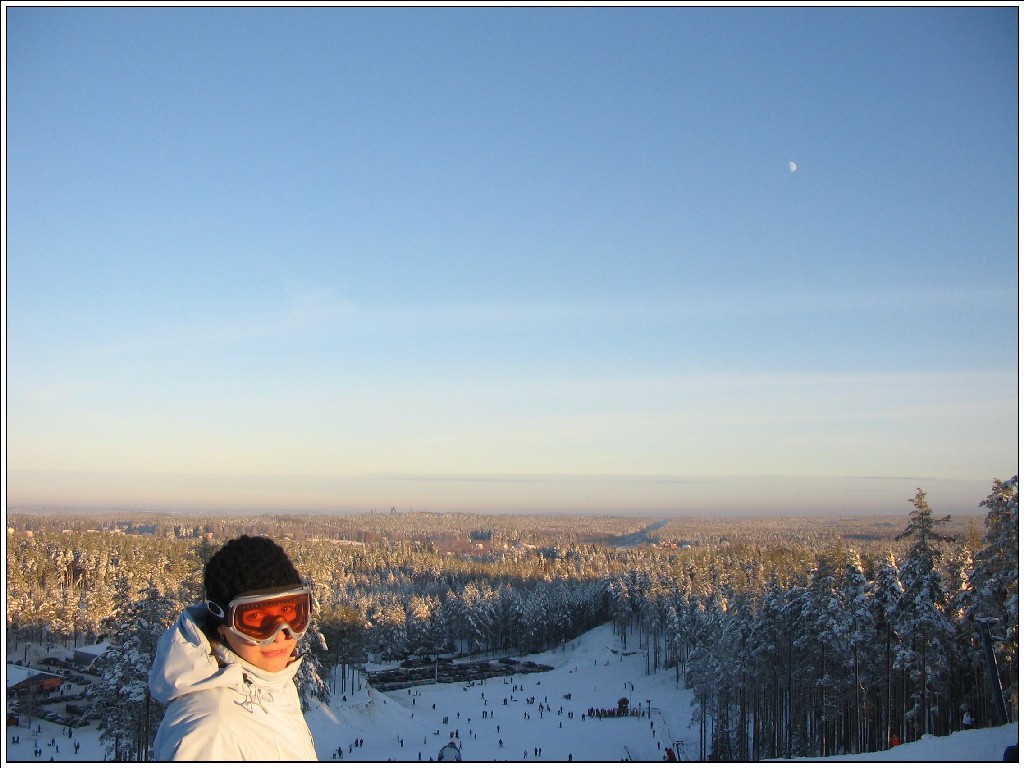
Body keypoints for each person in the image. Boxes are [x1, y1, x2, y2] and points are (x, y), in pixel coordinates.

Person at [149, 535, 318, 760]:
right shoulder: (210, 733)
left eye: (289, 613)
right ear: (221, 624)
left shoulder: (269, 689)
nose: (279, 635)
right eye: (256, 618)